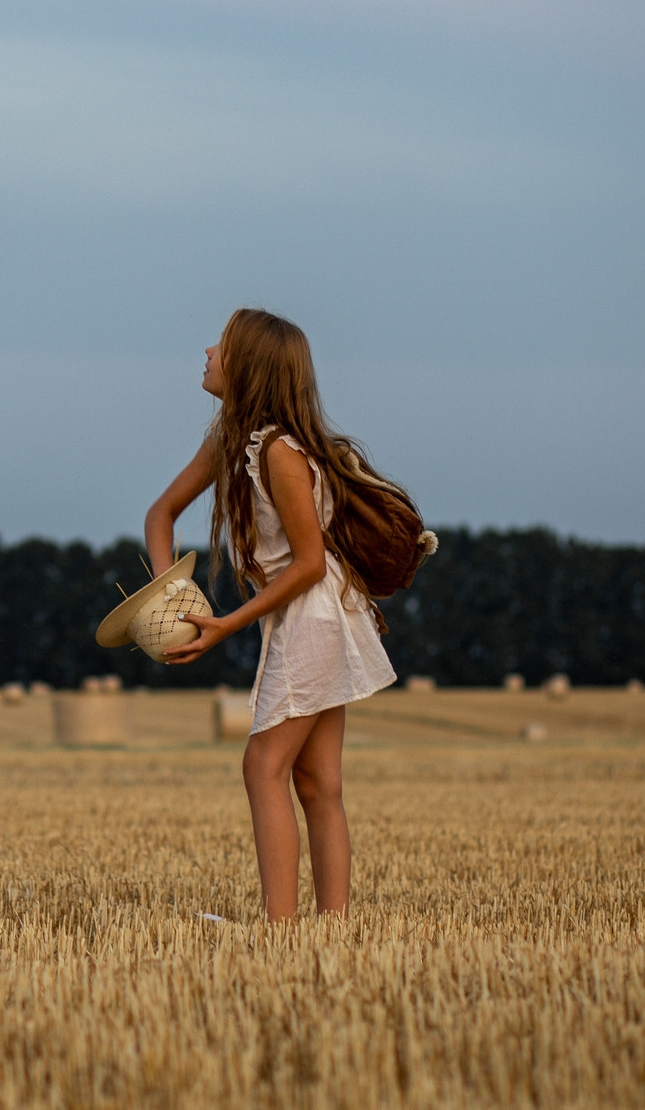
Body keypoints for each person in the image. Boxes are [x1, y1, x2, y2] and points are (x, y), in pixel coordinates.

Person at [143, 309, 404, 922]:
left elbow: (309, 563)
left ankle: (282, 930)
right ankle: (329, 930)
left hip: (314, 610)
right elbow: (160, 514)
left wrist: (227, 624)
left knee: (264, 765)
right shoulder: (232, 439)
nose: (206, 349)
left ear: (250, 366)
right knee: (316, 783)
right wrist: (168, 597)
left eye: (222, 345)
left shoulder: (279, 451)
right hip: (307, 609)